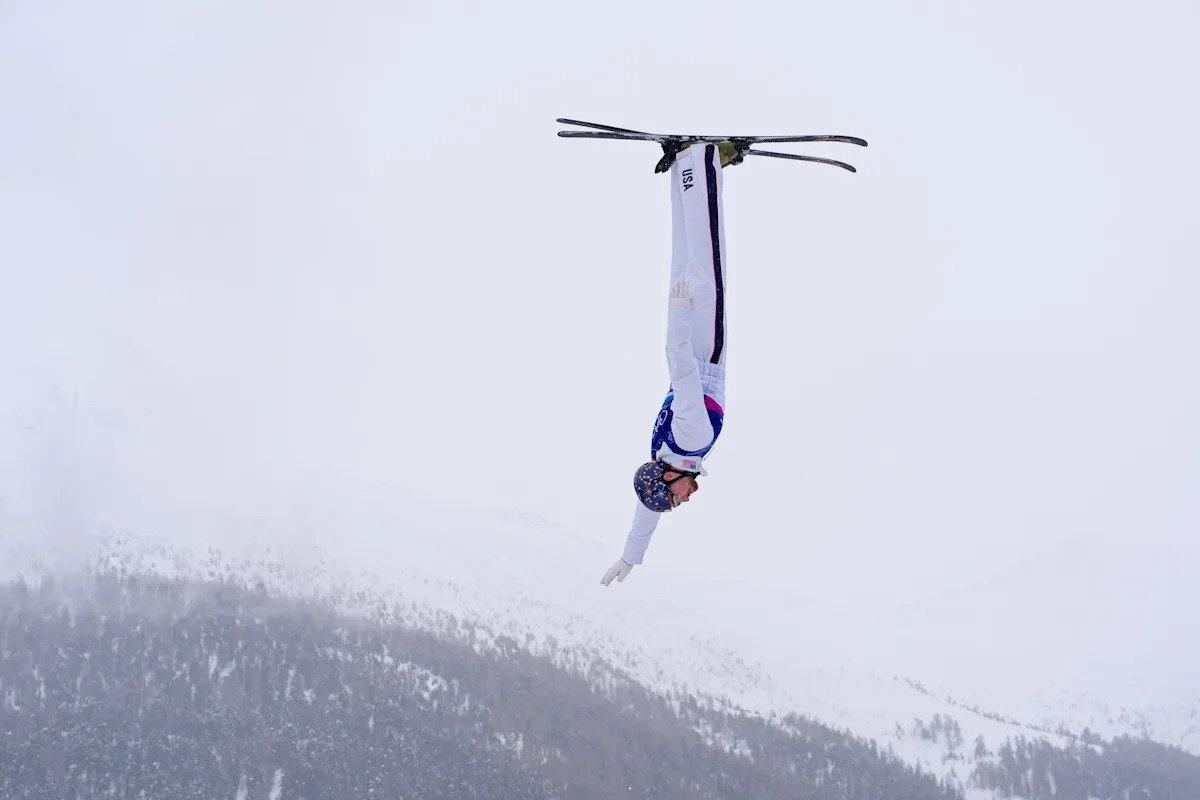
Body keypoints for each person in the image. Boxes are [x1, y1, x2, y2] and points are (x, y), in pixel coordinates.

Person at [601, 141, 729, 587]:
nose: (680, 503)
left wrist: (677, 314)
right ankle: (683, 170)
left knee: (708, 258)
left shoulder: (690, 441)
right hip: (691, 344)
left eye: (673, 501)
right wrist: (631, 556)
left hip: (700, 347)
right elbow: (646, 506)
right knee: (686, 258)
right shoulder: (664, 455)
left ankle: (707, 159)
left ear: (668, 477)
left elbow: (682, 368)